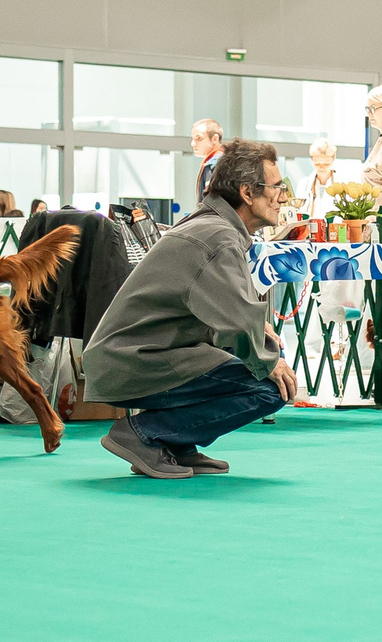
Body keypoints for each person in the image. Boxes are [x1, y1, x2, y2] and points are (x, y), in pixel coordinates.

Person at [84, 139, 301, 478]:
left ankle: (174, 445)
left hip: (136, 354)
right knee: (270, 387)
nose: (283, 196)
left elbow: (217, 313)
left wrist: (256, 334)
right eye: (277, 187)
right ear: (247, 192)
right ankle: (144, 434)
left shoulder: (210, 227)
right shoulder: (218, 237)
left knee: (253, 366)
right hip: (136, 360)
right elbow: (239, 326)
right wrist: (269, 359)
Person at [191, 119, 224, 203]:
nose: (193, 143)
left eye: (199, 138)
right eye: (193, 139)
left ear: (215, 139)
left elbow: (212, 202)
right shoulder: (213, 163)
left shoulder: (216, 164)